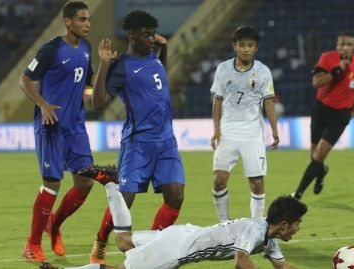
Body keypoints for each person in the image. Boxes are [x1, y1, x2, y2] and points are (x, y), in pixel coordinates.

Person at [41, 167, 306, 269]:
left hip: (184, 233)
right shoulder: (254, 229)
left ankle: (111, 184)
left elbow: (283, 268)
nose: (297, 228)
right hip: (177, 250)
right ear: (284, 224)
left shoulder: (268, 237)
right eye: (296, 224)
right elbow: (241, 262)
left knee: (123, 241)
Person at [89, 10, 185, 264]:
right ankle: (100, 240)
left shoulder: (154, 58)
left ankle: (152, 250)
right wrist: (105, 64)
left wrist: (165, 49)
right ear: (131, 35)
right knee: (125, 202)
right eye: (146, 34)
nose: (151, 38)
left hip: (166, 141)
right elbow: (98, 102)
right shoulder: (120, 66)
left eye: (153, 33)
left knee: (176, 197)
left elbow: (160, 77)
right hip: (138, 144)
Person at [18, 1, 95, 262]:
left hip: (76, 126)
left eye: (88, 20)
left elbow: (89, 81)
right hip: (52, 125)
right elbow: (25, 79)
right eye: (82, 20)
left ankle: (55, 224)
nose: (87, 24)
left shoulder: (86, 47)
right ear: (68, 21)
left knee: (85, 183)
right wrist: (42, 104)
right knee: (52, 184)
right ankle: (31, 245)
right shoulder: (51, 49)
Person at [210, 26, 279, 222]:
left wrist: (274, 131)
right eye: (242, 45)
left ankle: (257, 225)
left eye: (250, 45)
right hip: (228, 131)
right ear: (234, 46)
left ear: (256, 47)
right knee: (219, 180)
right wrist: (216, 130)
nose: (245, 49)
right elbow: (218, 100)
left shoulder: (263, 71)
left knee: (256, 182)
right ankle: (224, 224)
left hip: (252, 133)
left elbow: (268, 101)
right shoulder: (223, 69)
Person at [293, 32, 354, 200]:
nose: (345, 48)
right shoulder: (327, 58)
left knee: (319, 155)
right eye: (342, 44)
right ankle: (321, 173)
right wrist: (337, 71)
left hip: (340, 116)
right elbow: (316, 83)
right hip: (321, 110)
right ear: (336, 45)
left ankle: (297, 194)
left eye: (349, 44)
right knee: (314, 157)